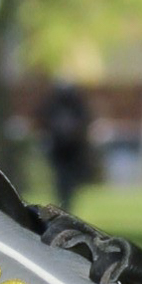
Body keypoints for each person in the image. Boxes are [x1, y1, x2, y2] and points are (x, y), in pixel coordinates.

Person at [37, 76, 94, 212]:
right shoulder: (52, 105)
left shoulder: (76, 106)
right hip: (58, 148)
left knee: (70, 178)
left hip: (73, 148)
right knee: (60, 177)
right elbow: (42, 121)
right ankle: (63, 200)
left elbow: (85, 122)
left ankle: (67, 200)